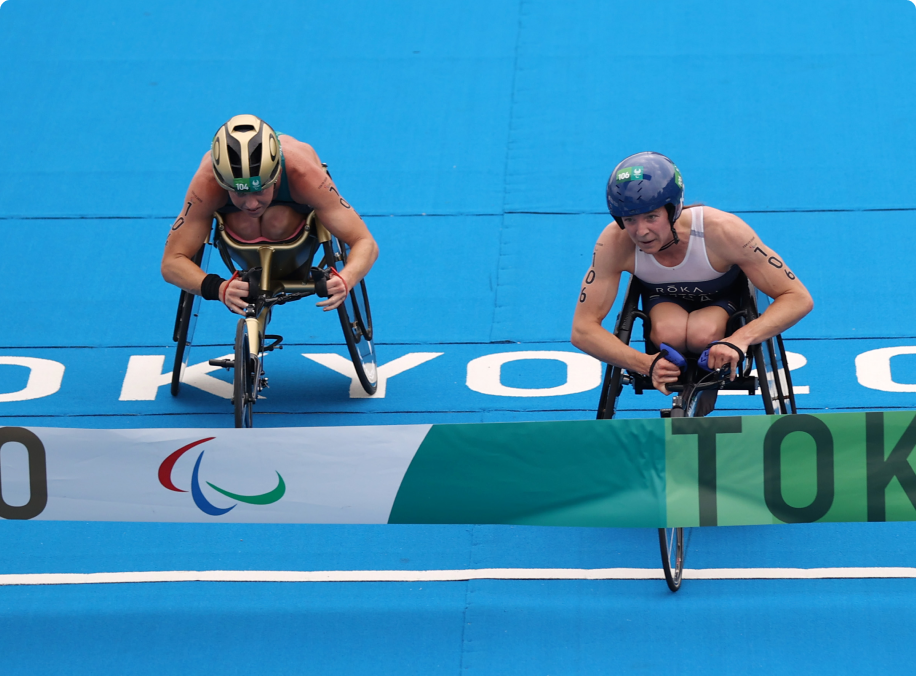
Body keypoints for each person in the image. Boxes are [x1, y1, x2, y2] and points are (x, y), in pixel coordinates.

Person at [571, 151, 813, 397]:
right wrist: (644, 363)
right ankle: (688, 371)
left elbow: (797, 297)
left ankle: (706, 373)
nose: (641, 231)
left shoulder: (723, 231)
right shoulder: (614, 242)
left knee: (703, 333)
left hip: (722, 300)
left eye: (652, 217)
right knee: (669, 333)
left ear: (673, 209)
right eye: (630, 219)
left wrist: (740, 339)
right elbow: (582, 330)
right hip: (665, 306)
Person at [161, 114, 378, 314]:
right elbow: (171, 262)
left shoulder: (303, 174)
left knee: (276, 220)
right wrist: (218, 287)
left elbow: (364, 241)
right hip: (240, 237)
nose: (251, 203)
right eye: (239, 193)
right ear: (222, 181)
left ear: (277, 174)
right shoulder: (206, 185)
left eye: (259, 190)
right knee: (245, 221)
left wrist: (346, 278)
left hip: (297, 239)